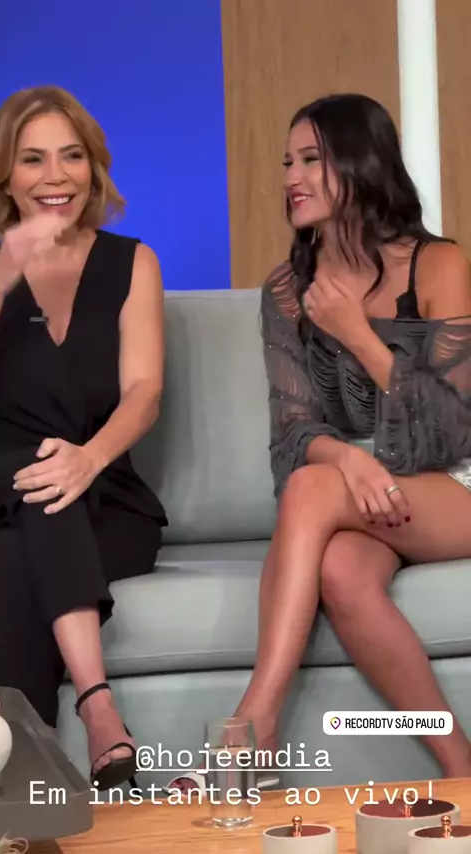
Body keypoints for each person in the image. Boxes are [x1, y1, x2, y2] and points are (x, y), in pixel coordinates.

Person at [167, 92, 471, 794]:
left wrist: (358, 336)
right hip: (361, 490)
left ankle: (253, 727)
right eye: (286, 162)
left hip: (455, 480)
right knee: (339, 571)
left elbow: (456, 425)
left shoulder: (437, 264)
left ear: (360, 164)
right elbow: (293, 435)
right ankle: (461, 770)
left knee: (314, 488)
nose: (291, 178)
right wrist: (348, 460)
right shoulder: (286, 290)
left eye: (311, 159)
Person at [0, 85, 168, 791]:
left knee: (18, 545)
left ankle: (18, 788)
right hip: (2, 486)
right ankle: (100, 713)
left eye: (71, 156)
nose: (55, 176)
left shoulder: (133, 262)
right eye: (32, 159)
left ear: (93, 169)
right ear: (6, 176)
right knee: (36, 487)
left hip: (108, 497)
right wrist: (1, 278)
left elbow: (144, 391)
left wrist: (89, 459)